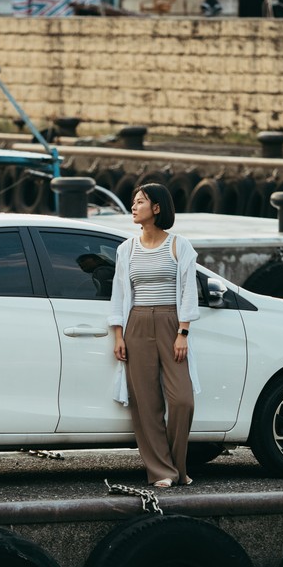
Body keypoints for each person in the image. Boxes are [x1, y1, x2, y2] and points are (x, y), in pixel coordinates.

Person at [108, 183, 201, 489]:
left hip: (171, 323)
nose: (133, 207)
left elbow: (188, 292)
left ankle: (177, 467)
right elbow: (119, 294)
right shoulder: (126, 249)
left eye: (140, 202)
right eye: (133, 202)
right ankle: (162, 471)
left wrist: (183, 332)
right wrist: (119, 335)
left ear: (157, 208)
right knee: (146, 404)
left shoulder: (179, 245)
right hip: (136, 325)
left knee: (182, 401)